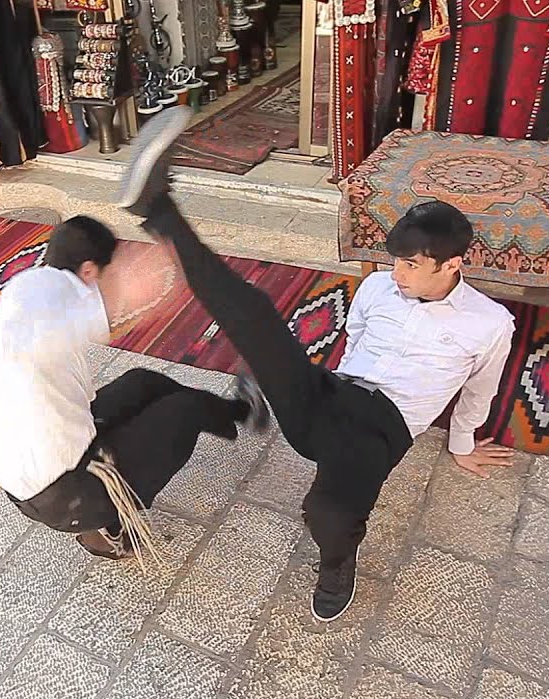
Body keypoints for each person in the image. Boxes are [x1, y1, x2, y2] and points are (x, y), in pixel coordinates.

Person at [115, 107, 517, 621]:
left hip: (380, 429)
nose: (397, 274)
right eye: (395, 260)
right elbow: (356, 339)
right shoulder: (377, 287)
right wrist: (308, 383)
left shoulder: (489, 323)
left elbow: (480, 389)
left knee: (326, 511)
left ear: (453, 264)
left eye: (412, 265)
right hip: (328, 396)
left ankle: (337, 566)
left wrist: (462, 443)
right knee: (255, 315)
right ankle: (158, 208)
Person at [0, 215, 269, 561]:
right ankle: (103, 529)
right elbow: (102, 318)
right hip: (70, 496)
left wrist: (13, 465)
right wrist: (142, 285)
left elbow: (8, 395)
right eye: (107, 272)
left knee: (142, 383)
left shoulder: (25, 290)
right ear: (88, 272)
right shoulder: (50, 326)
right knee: (184, 410)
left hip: (33, 475)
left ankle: (238, 413)